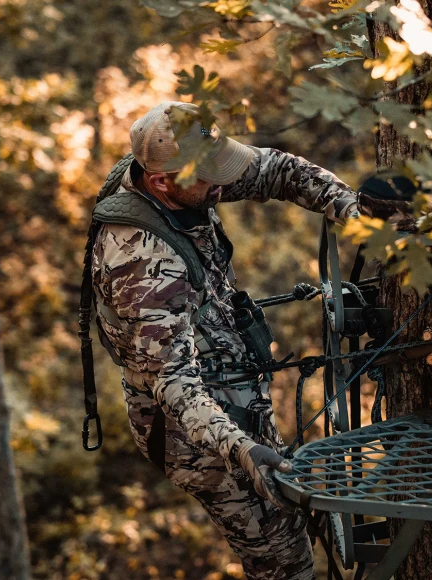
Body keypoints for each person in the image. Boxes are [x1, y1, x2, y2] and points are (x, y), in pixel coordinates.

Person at [87, 101, 359, 580]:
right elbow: (173, 386)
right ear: (160, 183)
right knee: (283, 560)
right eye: (210, 179)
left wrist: (356, 212)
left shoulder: (185, 178)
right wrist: (243, 451)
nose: (222, 185)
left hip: (234, 395)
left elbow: (277, 170)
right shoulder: (143, 266)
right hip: (194, 437)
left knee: (290, 520)